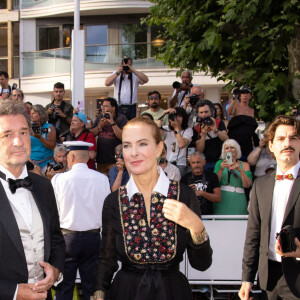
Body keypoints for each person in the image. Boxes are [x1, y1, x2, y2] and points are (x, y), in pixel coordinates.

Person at [93, 116, 212, 300]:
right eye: (126, 145)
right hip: (126, 293)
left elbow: (202, 264)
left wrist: (196, 227)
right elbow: (107, 258)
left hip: (172, 293)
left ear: (159, 148)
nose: (133, 153)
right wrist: (99, 291)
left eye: (142, 144)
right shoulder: (113, 201)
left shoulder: (184, 195)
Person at [0, 100, 65, 299]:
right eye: (7, 135)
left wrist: (55, 270)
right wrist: (13, 292)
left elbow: (56, 239)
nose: (18, 142)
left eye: (23, 132)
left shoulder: (44, 186)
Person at [239, 115, 300, 300]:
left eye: (293, 138)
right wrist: (247, 279)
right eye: (280, 139)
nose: (287, 143)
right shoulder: (260, 185)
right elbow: (253, 234)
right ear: (271, 146)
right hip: (269, 280)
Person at [52, 141, 110, 300]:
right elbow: (107, 213)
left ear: (71, 156)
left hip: (67, 239)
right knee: (91, 287)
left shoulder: (58, 180)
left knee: (64, 287)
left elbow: (53, 213)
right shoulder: (102, 179)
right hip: (93, 238)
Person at [214, 139, 252, 215]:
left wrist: (240, 170)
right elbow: (215, 183)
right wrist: (221, 169)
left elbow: (247, 185)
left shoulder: (245, 165)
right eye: (227, 148)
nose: (229, 150)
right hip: (222, 199)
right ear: (224, 151)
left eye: (232, 147)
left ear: (237, 149)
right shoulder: (219, 163)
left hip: (238, 198)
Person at [90, 97, 127, 175]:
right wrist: (99, 126)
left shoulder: (121, 118)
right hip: (101, 160)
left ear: (113, 108)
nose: (103, 108)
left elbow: (123, 137)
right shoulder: (100, 117)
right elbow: (91, 134)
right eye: (102, 106)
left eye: (106, 106)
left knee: (114, 183)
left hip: (115, 160)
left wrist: (112, 123)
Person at [194, 99, 228, 172]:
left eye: (206, 112)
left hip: (220, 160)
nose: (204, 115)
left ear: (211, 112)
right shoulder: (196, 128)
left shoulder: (219, 122)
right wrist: (203, 136)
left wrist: (215, 129)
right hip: (205, 163)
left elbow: (226, 139)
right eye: (201, 112)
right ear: (198, 114)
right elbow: (199, 150)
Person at [158, 107, 193, 176]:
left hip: (179, 163)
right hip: (166, 162)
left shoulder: (188, 130)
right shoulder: (166, 128)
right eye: (174, 116)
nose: (176, 119)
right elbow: (156, 133)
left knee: (177, 185)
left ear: (184, 118)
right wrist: (163, 115)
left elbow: (181, 144)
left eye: (179, 116)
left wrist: (176, 128)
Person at [227, 85, 258, 160]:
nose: (245, 95)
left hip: (247, 143)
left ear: (250, 95)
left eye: (247, 93)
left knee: (247, 164)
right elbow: (229, 112)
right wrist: (233, 98)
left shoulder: (252, 110)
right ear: (240, 95)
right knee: (230, 163)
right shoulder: (236, 106)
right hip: (234, 141)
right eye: (243, 93)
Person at [30, 104, 56, 174]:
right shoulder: (28, 128)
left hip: (46, 163)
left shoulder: (48, 128)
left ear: (41, 114)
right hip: (32, 163)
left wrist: (40, 138)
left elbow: (52, 146)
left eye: (33, 113)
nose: (31, 115)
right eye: (30, 114)